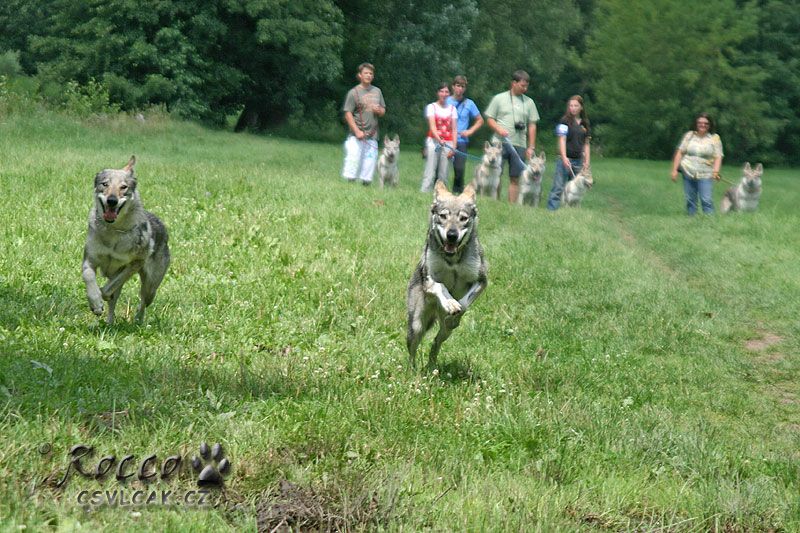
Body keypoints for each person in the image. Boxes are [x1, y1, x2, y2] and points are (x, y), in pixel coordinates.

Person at [484, 70, 540, 203]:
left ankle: (512, 206)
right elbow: (490, 119)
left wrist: (531, 147)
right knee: (497, 173)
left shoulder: (529, 102)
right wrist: (499, 129)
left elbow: (532, 125)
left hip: (519, 144)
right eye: (522, 86)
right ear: (513, 83)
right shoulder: (499, 98)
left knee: (515, 177)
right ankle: (495, 203)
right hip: (499, 143)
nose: (525, 89)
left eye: (526, 86)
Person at [341, 63, 386, 185]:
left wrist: (380, 111)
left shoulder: (377, 91)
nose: (369, 75)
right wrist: (356, 131)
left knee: (369, 164)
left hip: (372, 135)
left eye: (371, 73)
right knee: (353, 161)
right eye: (366, 73)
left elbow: (383, 110)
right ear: (359, 75)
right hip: (356, 136)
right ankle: (350, 187)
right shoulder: (353, 92)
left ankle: (365, 187)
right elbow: (348, 113)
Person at [670, 112, 723, 214]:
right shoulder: (689, 135)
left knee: (706, 200)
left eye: (706, 123)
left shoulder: (714, 138)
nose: (703, 125)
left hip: (706, 173)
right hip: (688, 171)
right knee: (690, 200)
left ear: (710, 125)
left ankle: (710, 223)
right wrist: (674, 170)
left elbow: (718, 156)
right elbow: (680, 153)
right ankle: (691, 221)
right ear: (696, 124)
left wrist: (716, 172)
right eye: (700, 123)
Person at [547, 95, 591, 210]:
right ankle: (552, 210)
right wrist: (564, 157)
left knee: (576, 189)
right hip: (565, 160)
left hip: (578, 160)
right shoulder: (564, 121)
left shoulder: (585, 123)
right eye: (571, 106)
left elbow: (586, 143)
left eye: (576, 106)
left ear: (581, 107)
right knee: (558, 186)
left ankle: (572, 211)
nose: (573, 108)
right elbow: (562, 139)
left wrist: (587, 161)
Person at [446, 75, 484, 193]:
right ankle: (439, 189)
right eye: (458, 86)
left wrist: (470, 131)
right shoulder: (446, 101)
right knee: (442, 168)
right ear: (453, 87)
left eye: (462, 86)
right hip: (447, 139)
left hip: (461, 140)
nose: (460, 89)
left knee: (459, 169)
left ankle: (457, 192)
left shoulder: (469, 103)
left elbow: (480, 120)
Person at [420, 82, 458, 192]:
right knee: (430, 170)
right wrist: (439, 138)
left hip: (448, 143)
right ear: (438, 93)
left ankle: (442, 194)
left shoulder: (452, 109)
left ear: (449, 94)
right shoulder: (431, 107)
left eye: (446, 92)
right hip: (433, 141)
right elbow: (432, 126)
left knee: (444, 173)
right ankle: (425, 191)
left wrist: (454, 147)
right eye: (442, 91)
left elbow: (454, 129)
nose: (444, 94)